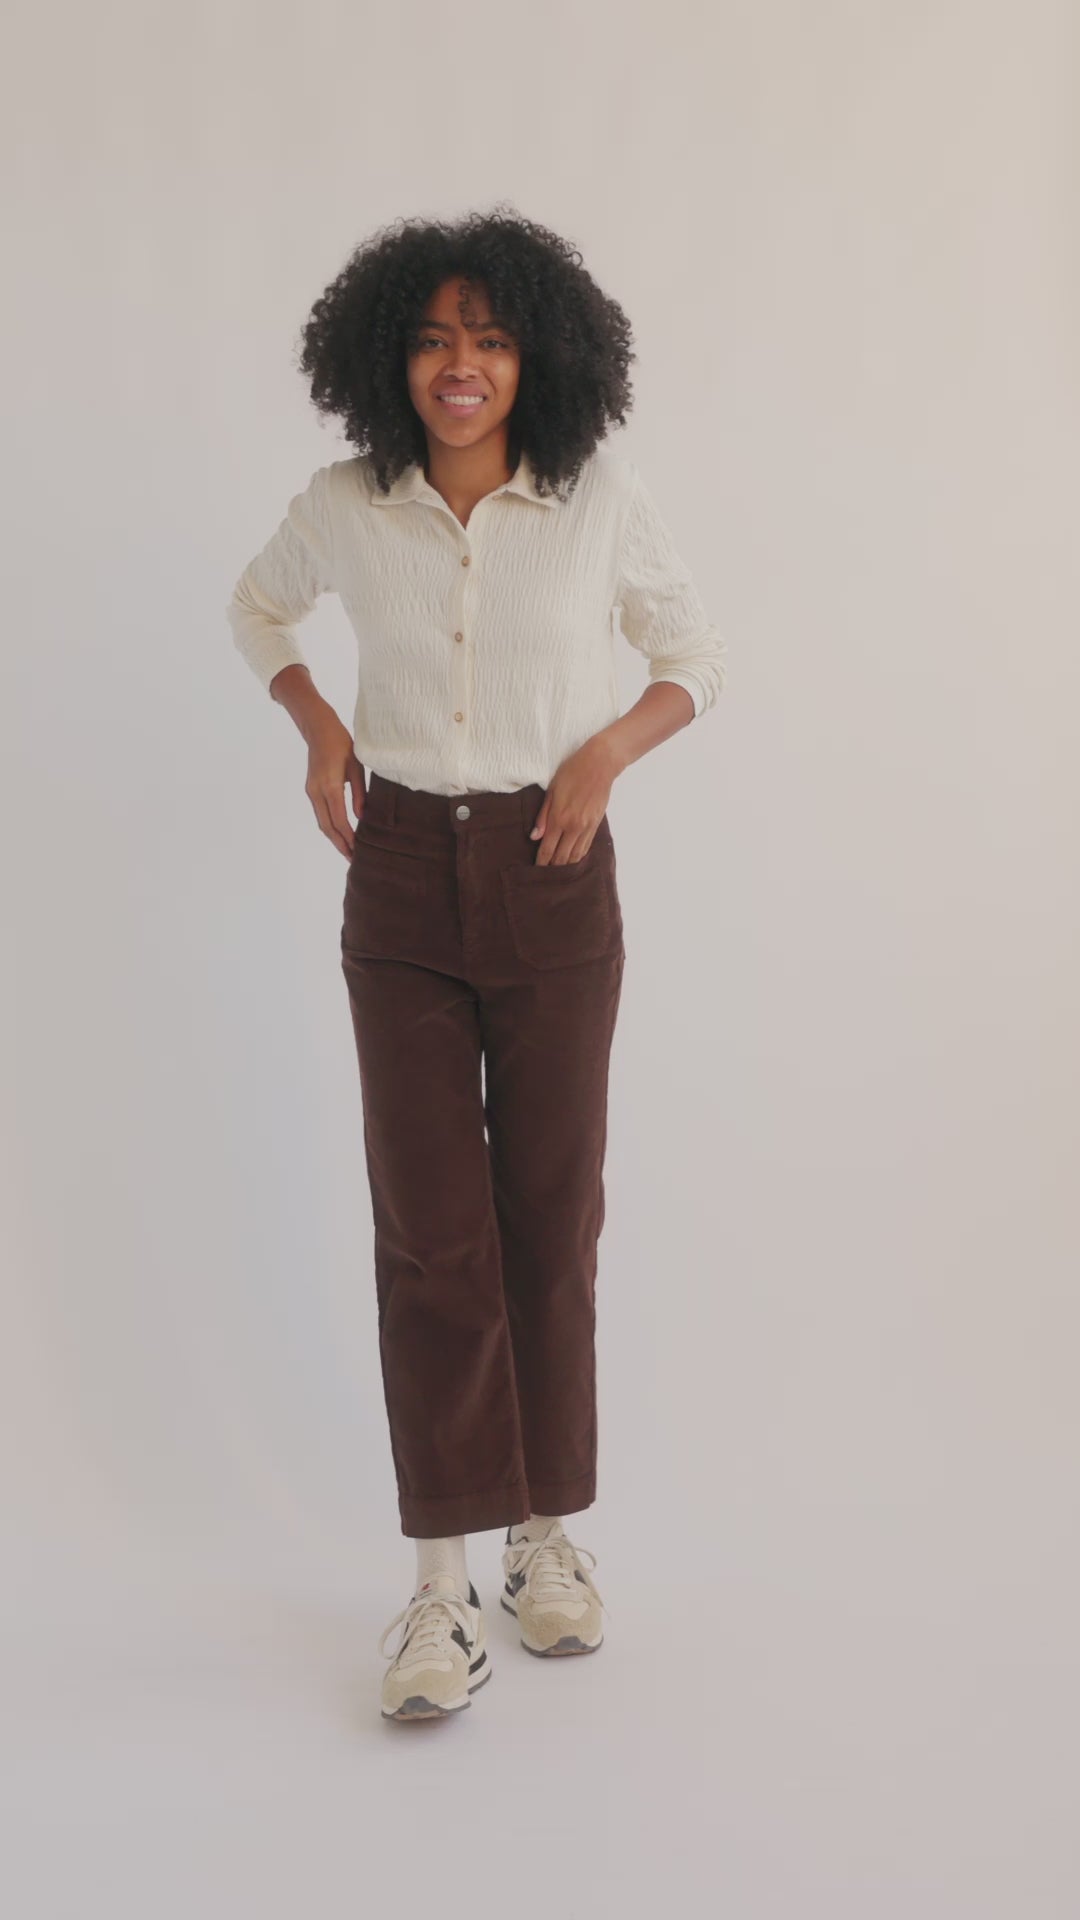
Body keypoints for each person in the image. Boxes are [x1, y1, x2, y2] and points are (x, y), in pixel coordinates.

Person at [225, 206, 726, 1723]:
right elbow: (257, 607)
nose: (463, 365)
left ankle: (544, 1539)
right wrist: (321, 726)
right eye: (437, 338)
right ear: (390, 355)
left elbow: (693, 657)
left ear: (538, 358)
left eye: (493, 339)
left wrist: (604, 758)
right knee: (431, 1234)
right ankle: (438, 1587)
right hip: (398, 879)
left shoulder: (594, 496)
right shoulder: (346, 503)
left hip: (553, 870)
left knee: (549, 1219)